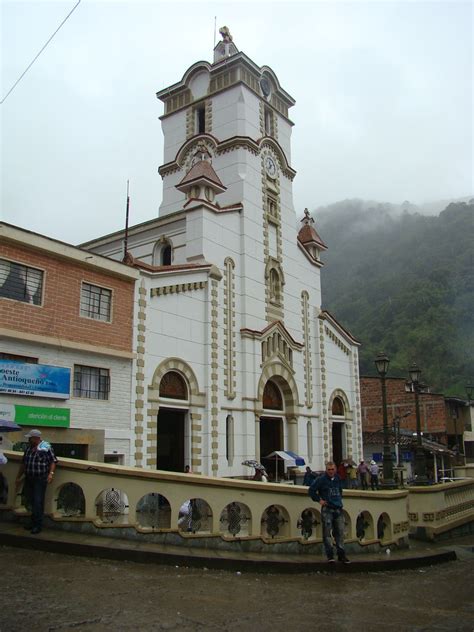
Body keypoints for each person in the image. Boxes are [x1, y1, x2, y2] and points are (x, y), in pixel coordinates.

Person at [15, 429, 57, 535]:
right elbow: (23, 463)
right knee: (30, 500)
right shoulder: (28, 449)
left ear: (36, 438)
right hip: (29, 477)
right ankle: (32, 521)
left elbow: (53, 461)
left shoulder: (46, 447)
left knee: (38, 501)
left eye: (30, 438)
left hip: (40, 478)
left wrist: (50, 474)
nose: (29, 440)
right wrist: (19, 476)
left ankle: (37, 525)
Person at [308, 461, 350, 564]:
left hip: (338, 508)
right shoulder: (321, 479)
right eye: (329, 470)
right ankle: (330, 555)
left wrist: (339, 500)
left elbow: (340, 490)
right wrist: (319, 500)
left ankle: (341, 554)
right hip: (327, 509)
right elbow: (311, 490)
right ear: (326, 470)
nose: (331, 471)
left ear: (335, 469)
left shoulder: (337, 478)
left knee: (340, 532)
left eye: (332, 469)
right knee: (327, 533)